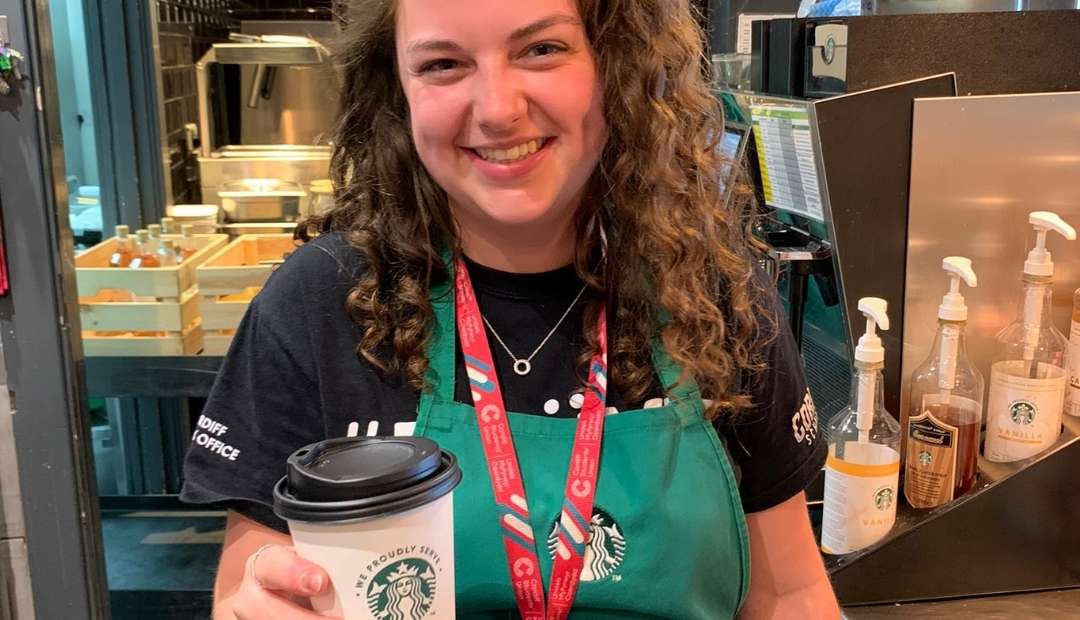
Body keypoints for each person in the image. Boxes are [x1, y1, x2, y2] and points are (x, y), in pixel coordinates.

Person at [180, 0, 840, 618]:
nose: (497, 110)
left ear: (615, 63)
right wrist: (260, 597)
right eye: (443, 64)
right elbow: (249, 585)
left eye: (541, 49)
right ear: (396, 89)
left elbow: (791, 594)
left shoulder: (712, 289)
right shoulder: (318, 302)